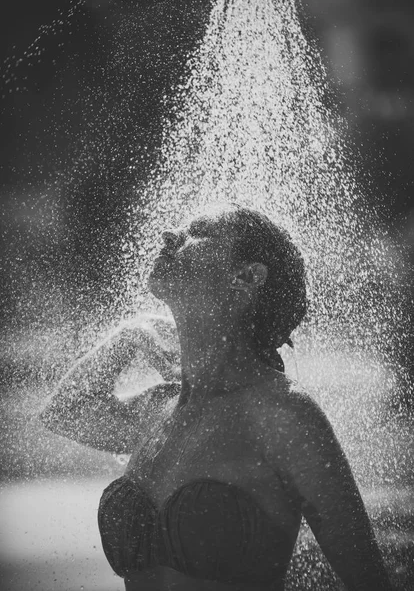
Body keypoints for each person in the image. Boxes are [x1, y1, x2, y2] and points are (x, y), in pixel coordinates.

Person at [40, 204, 392, 591]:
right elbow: (64, 411)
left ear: (245, 277)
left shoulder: (286, 416)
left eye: (198, 231)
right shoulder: (160, 410)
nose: (170, 236)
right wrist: (131, 332)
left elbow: (369, 579)